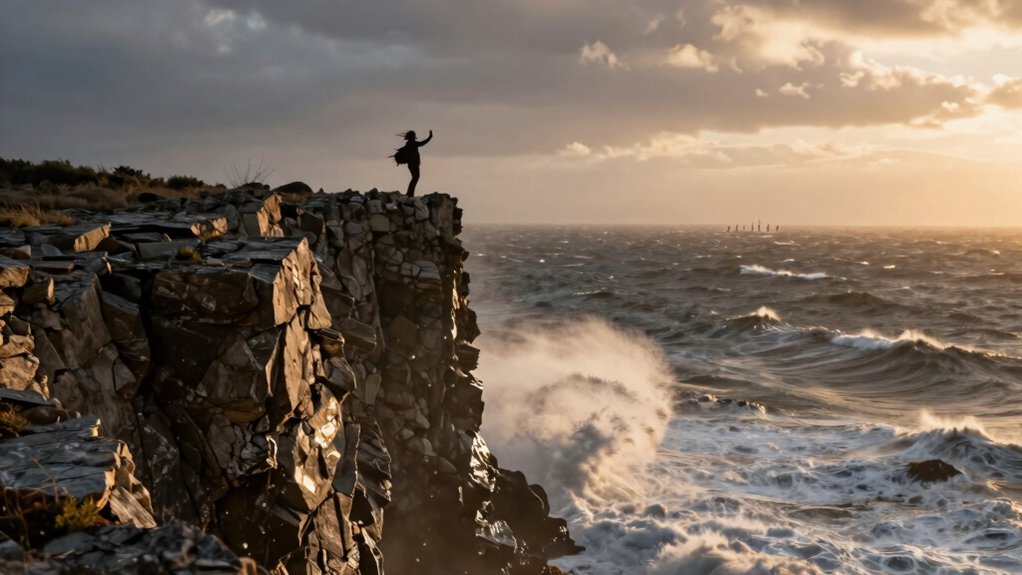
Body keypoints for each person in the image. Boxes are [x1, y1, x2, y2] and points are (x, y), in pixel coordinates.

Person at [397, 129, 433, 197]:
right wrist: (430, 137)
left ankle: (410, 193)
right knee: (415, 177)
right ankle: (410, 194)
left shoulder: (408, 144)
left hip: (411, 164)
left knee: (414, 178)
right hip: (414, 164)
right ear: (412, 137)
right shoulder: (413, 143)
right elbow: (423, 143)